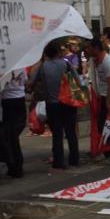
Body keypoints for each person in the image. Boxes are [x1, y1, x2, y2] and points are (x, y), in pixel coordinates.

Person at [32, 41, 80, 170]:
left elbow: (32, 80)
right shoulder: (65, 63)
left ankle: (58, 161)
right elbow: (78, 80)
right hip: (68, 103)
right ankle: (74, 160)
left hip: (52, 104)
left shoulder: (44, 67)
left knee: (57, 133)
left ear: (46, 53)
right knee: (71, 132)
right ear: (59, 52)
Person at [0, 69, 27, 178]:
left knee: (9, 136)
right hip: (20, 98)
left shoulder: (5, 67)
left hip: (7, 100)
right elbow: (25, 80)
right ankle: (16, 165)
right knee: (13, 135)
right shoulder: (21, 67)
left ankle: (14, 166)